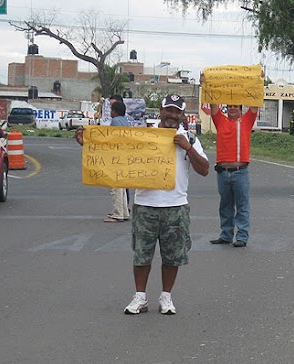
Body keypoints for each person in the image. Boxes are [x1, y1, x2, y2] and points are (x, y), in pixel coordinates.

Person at [75, 93, 209, 315]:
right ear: (161, 111)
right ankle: (140, 297)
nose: (172, 116)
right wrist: (89, 142)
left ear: (183, 115)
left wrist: (187, 147)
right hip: (145, 204)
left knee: (172, 255)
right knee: (141, 254)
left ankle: (166, 297)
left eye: (177, 112)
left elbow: (204, 169)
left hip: (175, 205)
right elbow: (113, 150)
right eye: (169, 110)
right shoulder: (144, 134)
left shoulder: (190, 139)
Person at [207, 103, 259, 248]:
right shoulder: (220, 121)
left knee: (242, 205)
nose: (232, 108)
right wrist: (207, 82)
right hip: (222, 173)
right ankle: (226, 235)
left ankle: (242, 236)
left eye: (236, 106)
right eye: (230, 106)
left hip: (240, 172)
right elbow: (213, 104)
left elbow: (255, 105)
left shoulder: (246, 121)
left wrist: (259, 81)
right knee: (225, 205)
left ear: (241, 109)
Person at [103, 100, 130, 222]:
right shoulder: (126, 122)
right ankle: (124, 212)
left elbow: (111, 139)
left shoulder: (115, 122)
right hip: (126, 157)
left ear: (114, 111)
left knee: (115, 186)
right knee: (122, 187)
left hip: (116, 157)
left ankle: (117, 213)